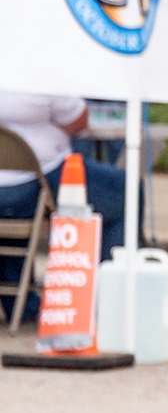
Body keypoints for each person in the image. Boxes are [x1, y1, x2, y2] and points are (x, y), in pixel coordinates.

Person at [0, 93, 127, 305]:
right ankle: (109, 298)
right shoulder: (44, 74)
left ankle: (21, 306)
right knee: (123, 192)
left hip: (11, 192)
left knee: (14, 217)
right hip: (38, 180)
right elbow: (78, 120)